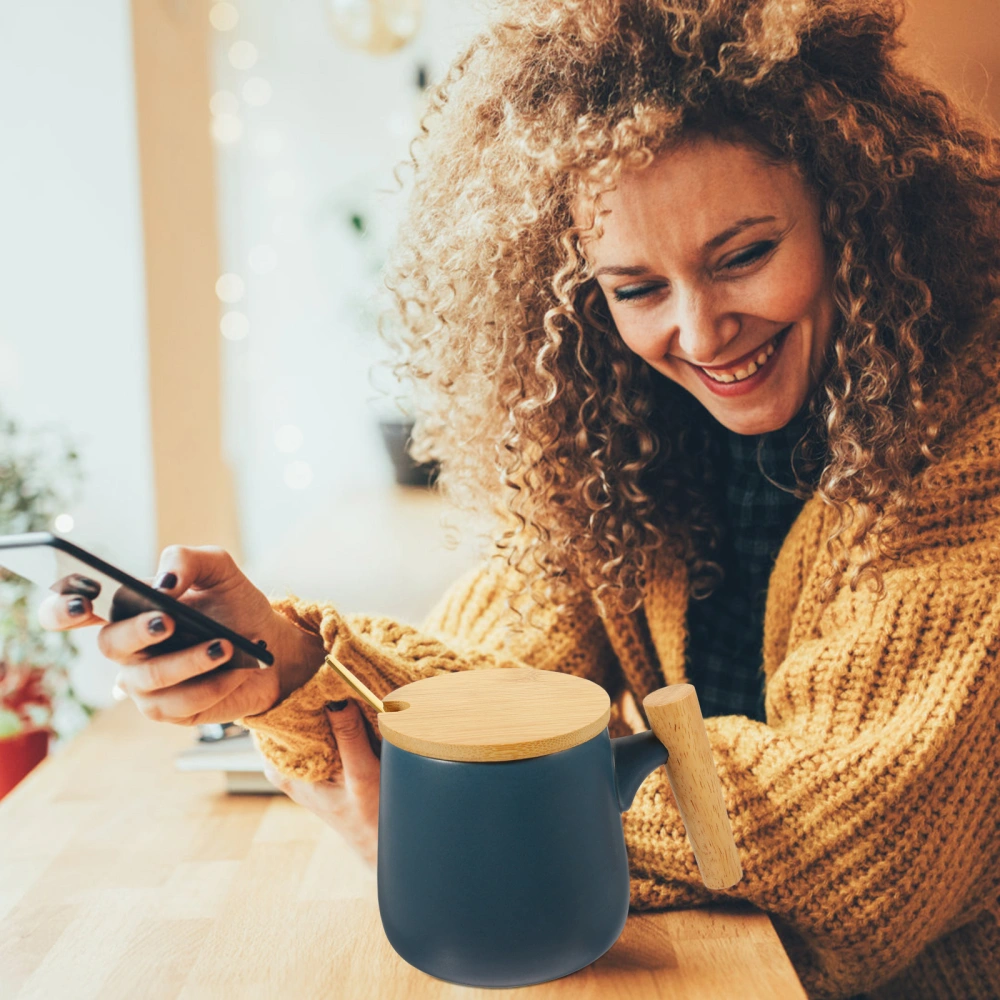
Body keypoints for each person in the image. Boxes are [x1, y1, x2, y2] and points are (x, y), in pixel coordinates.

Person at [40, 0, 1000, 997]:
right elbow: (489, 692)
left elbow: (851, 846)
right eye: (636, 288)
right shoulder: (626, 441)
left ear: (856, 210)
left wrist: (465, 824)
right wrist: (285, 661)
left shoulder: (975, 440)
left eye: (743, 257)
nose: (703, 332)